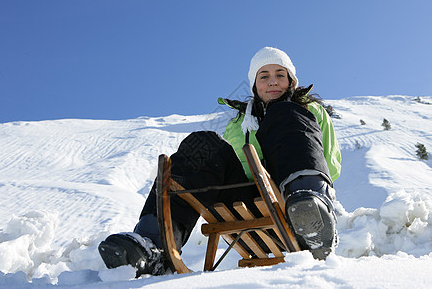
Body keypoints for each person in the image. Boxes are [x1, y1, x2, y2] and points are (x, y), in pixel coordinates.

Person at [98, 47, 342, 277]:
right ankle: (154, 245)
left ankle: (312, 213)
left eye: (280, 74)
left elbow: (329, 164)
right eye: (264, 76)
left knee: (284, 112)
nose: (273, 81)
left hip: (293, 209)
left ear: (291, 81)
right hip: (248, 208)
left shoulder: (306, 110)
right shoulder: (238, 124)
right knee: (203, 142)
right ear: (255, 85)